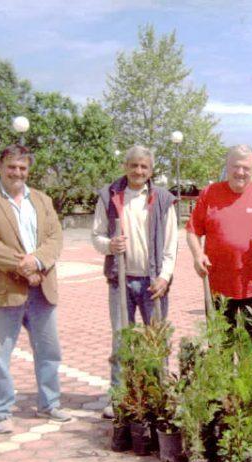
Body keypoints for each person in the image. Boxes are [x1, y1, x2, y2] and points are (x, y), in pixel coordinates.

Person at [0, 144, 71, 433]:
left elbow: (55, 237)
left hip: (42, 287)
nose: (17, 172)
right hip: (5, 289)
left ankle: (49, 404)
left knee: (49, 350)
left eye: (22, 168)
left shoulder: (42, 199)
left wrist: (38, 261)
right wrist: (24, 267)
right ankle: (1, 411)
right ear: (0, 167)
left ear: (28, 170)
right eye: (12, 167)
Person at [91, 145, 178, 419]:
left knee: (156, 341)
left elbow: (171, 244)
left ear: (151, 171)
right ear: (125, 166)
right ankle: (118, 395)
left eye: (144, 167)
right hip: (121, 281)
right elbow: (96, 236)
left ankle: (160, 392)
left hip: (154, 283)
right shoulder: (110, 195)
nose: (139, 171)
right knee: (121, 340)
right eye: (134, 165)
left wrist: (165, 276)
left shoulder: (163, 199)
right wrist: (109, 245)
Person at [186, 144, 252, 325]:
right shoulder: (210, 193)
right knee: (220, 350)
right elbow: (192, 231)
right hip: (218, 288)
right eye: (236, 166)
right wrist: (197, 255)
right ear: (227, 166)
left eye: (246, 168)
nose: (241, 172)